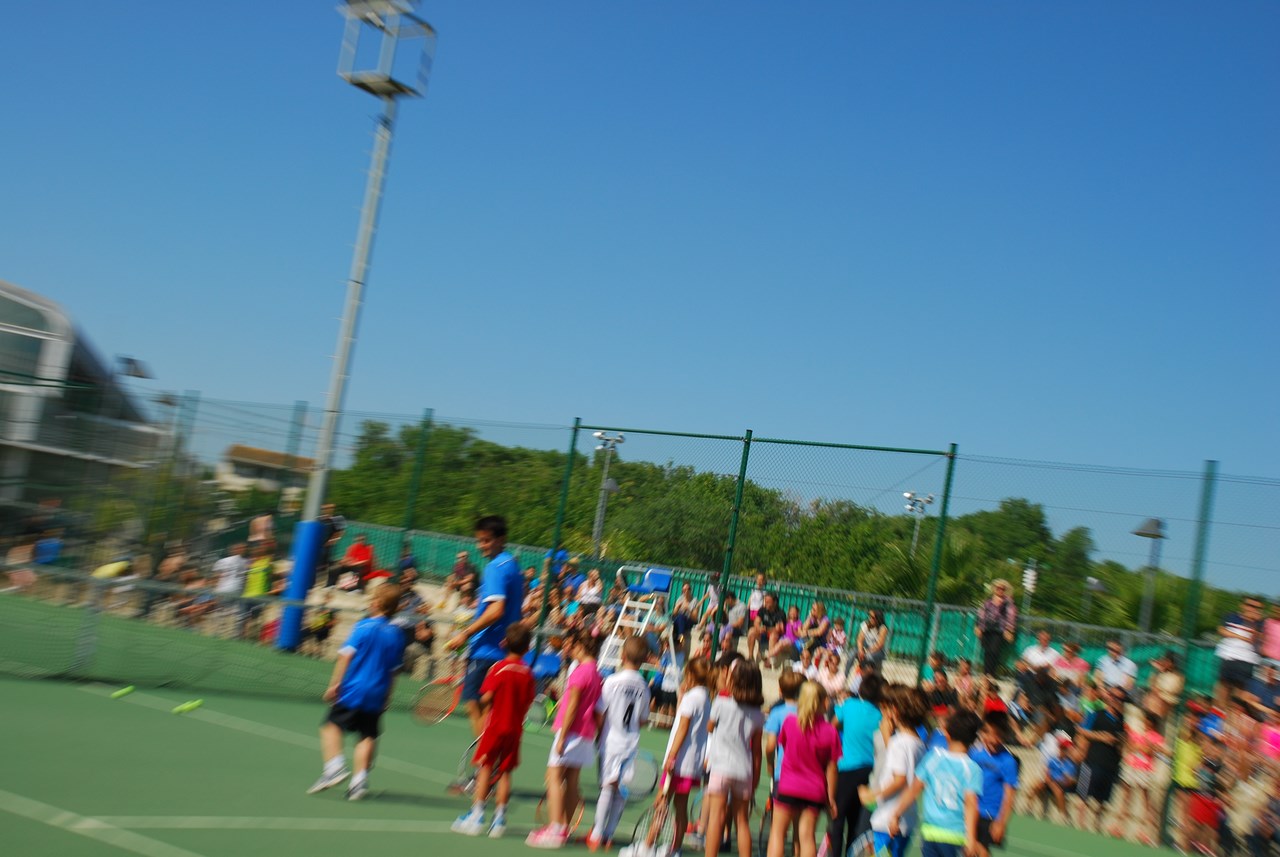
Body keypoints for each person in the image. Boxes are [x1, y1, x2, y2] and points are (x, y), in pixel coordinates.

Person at [307, 583, 406, 801]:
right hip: (377, 693)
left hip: (354, 690)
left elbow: (345, 657)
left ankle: (334, 767)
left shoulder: (363, 626)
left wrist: (335, 684)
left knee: (331, 727)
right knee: (367, 735)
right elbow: (394, 671)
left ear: (377, 603)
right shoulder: (397, 635)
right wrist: (387, 696)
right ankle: (359, 782)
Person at [451, 624, 536, 838]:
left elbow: (487, 697)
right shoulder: (528, 673)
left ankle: (477, 814)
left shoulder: (498, 668)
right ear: (527, 648)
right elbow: (527, 702)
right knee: (505, 773)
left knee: (486, 769)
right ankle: (499, 819)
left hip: (495, 727)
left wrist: (486, 706)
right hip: (514, 730)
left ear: (504, 643)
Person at [445, 515, 525, 737]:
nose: (481, 546)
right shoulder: (513, 567)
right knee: (491, 710)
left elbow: (496, 610)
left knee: (475, 705)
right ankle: (491, 756)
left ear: (501, 539)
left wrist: (465, 634)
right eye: (479, 540)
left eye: (487, 540)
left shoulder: (495, 567)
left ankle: (485, 756)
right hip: (504, 651)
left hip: (486, 651)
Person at [527, 628, 604, 849]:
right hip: (585, 734)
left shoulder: (580, 672)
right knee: (571, 781)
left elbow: (572, 706)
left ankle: (555, 828)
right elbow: (597, 711)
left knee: (553, 777)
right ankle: (563, 829)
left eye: (572, 645)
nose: (569, 650)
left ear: (581, 646)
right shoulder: (597, 674)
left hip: (570, 732)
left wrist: (562, 736)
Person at [886, 708, 984, 857]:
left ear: (947, 733)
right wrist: (971, 839)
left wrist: (896, 814)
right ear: (973, 740)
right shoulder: (972, 769)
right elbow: (970, 803)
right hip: (955, 836)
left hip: (930, 833)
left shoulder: (933, 758)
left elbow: (914, 789)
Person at [589, 636, 652, 850]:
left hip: (611, 741)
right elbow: (643, 719)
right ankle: (609, 834)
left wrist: (599, 733)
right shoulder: (644, 687)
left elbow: (600, 712)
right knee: (621, 790)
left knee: (607, 787)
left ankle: (597, 833)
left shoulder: (612, 682)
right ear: (644, 660)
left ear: (622, 655)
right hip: (630, 743)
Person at [769, 681, 841, 857]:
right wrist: (831, 797)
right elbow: (832, 769)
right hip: (814, 790)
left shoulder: (789, 722)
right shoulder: (830, 731)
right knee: (807, 837)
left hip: (789, 786)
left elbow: (783, 746)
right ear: (822, 702)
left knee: (778, 833)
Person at [705, 661, 765, 857]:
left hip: (720, 767)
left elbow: (710, 727)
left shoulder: (721, 703)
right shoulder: (758, 715)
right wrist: (755, 778)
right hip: (744, 770)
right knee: (742, 821)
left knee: (716, 818)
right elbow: (757, 751)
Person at [862, 685, 928, 857]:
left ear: (894, 711)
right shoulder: (919, 743)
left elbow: (900, 779)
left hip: (889, 818)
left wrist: (872, 794)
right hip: (906, 817)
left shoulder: (899, 742)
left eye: (886, 708)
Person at [827, 674, 884, 857]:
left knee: (837, 819)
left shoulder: (849, 705)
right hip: (869, 772)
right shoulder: (881, 714)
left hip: (847, 770)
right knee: (856, 822)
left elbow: (832, 726)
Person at [1074, 685, 1127, 832]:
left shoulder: (1121, 720)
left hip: (1110, 764)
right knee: (1083, 796)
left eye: (1121, 699)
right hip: (1092, 761)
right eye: (1115, 697)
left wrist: (1121, 742)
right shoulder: (1096, 714)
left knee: (1101, 800)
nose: (1117, 701)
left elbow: (1122, 741)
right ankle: (1080, 826)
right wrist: (1101, 737)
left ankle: (1096, 827)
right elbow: (1081, 730)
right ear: (1109, 697)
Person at [1109, 709, 1164, 845]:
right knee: (1125, 799)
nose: (1145, 723)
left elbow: (1149, 751)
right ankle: (1118, 827)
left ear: (1152, 723)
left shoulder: (1156, 737)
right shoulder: (1137, 733)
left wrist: (1140, 746)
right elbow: (1130, 747)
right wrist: (1138, 746)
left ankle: (1146, 832)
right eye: (1144, 721)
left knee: (1146, 802)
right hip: (1132, 767)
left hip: (1145, 771)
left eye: (1147, 721)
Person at [969, 710, 1019, 857]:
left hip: (990, 816)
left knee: (981, 852)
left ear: (1004, 736)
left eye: (997, 735)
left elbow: (1010, 796)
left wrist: (1001, 822)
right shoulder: (974, 754)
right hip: (971, 811)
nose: (992, 739)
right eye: (988, 733)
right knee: (970, 850)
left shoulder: (1008, 761)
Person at [1217, 596, 1265, 702]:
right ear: (1242, 605)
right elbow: (1222, 631)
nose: (1253, 609)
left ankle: (1233, 711)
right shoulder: (1231, 616)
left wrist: (1252, 623)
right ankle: (1219, 711)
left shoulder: (1260, 623)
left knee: (1239, 691)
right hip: (1228, 655)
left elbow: (1254, 639)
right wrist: (1241, 637)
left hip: (1246, 659)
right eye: (1250, 605)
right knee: (1223, 686)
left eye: (1257, 608)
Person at [975, 580, 1017, 675]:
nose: (1000, 590)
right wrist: (978, 626)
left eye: (1002, 589)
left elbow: (1011, 616)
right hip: (987, 629)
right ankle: (986, 673)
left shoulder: (1008, 602)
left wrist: (1009, 630)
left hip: (999, 630)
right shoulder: (988, 601)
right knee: (987, 652)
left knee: (994, 651)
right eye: (998, 588)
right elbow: (981, 614)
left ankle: (991, 674)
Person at [749, 592, 785, 665]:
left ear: (774, 603)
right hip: (764, 632)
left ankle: (769, 659)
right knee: (752, 631)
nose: (766, 604)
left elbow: (779, 629)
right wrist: (759, 627)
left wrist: (767, 629)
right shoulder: (762, 610)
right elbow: (756, 622)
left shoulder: (780, 613)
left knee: (773, 635)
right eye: (765, 601)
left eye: (768, 602)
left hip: (774, 635)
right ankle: (750, 656)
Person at [318, 503, 346, 588]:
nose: (327, 510)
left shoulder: (337, 518)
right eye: (324, 508)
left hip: (328, 546)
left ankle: (328, 583)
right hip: (318, 544)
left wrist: (332, 541)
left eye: (330, 508)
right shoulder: (320, 519)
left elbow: (341, 532)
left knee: (327, 563)